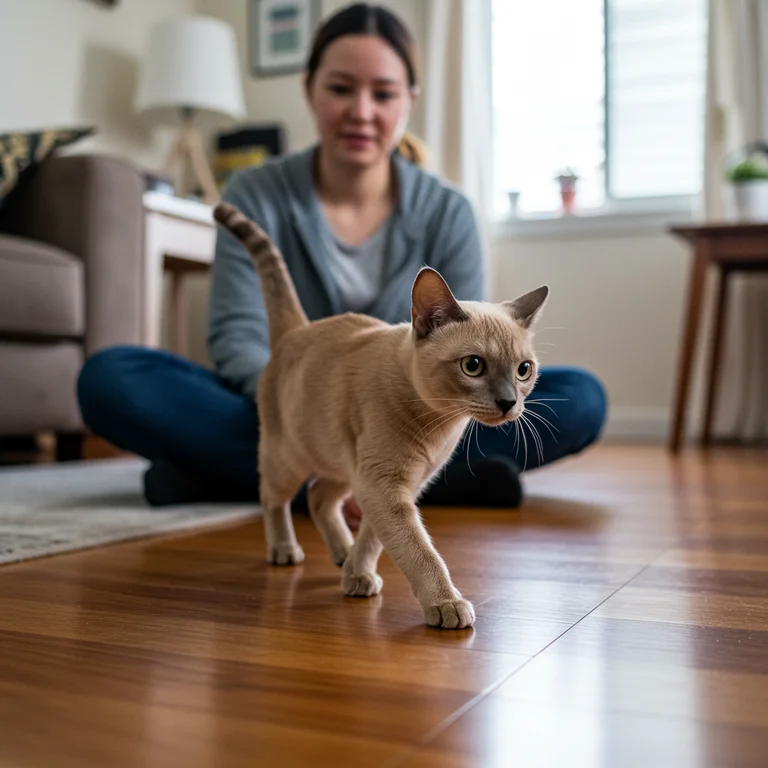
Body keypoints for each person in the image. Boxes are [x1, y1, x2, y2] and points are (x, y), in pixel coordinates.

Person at [76, 2, 607, 521]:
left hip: (413, 419)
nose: (361, 110)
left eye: (383, 93)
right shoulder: (255, 192)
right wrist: (310, 411)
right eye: (340, 88)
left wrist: (385, 432)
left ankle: (231, 479)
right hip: (294, 408)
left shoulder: (448, 210)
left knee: (581, 397)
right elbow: (238, 337)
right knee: (111, 377)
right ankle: (419, 486)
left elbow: (469, 364)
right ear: (309, 89)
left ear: (410, 101)